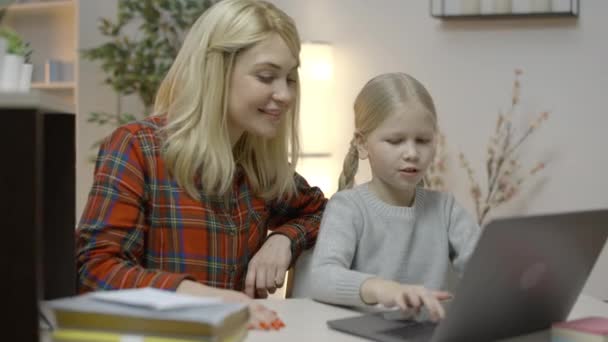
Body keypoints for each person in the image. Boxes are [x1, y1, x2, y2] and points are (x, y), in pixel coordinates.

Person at [75, 0, 327, 330]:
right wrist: (205, 296)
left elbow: (323, 212)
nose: (284, 94)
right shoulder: (137, 148)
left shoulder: (256, 165)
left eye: (290, 78)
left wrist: (282, 240)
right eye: (267, 76)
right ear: (216, 72)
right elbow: (94, 270)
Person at [306, 72, 481, 322]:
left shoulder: (446, 208)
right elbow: (322, 278)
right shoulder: (347, 207)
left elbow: (485, 270)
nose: (412, 153)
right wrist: (383, 289)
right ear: (362, 144)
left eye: (423, 140)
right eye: (395, 141)